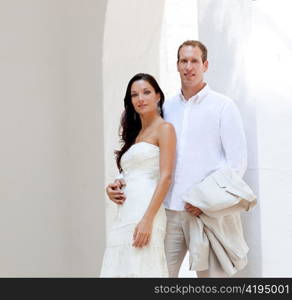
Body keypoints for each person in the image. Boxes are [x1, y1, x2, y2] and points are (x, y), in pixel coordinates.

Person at [106, 40, 247, 278]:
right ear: (177, 65)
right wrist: (120, 180)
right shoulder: (166, 107)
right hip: (168, 212)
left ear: (205, 65)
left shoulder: (223, 106)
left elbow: (237, 164)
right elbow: (148, 152)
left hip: (205, 213)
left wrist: (206, 200)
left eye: (194, 61)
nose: (188, 67)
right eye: (184, 61)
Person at [100, 73, 176, 277]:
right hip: (125, 213)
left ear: (158, 96)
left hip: (145, 211)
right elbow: (130, 173)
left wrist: (147, 220)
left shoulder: (165, 129)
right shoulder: (135, 135)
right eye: (134, 95)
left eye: (146, 92)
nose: (140, 98)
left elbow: (166, 177)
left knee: (141, 268)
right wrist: (113, 187)